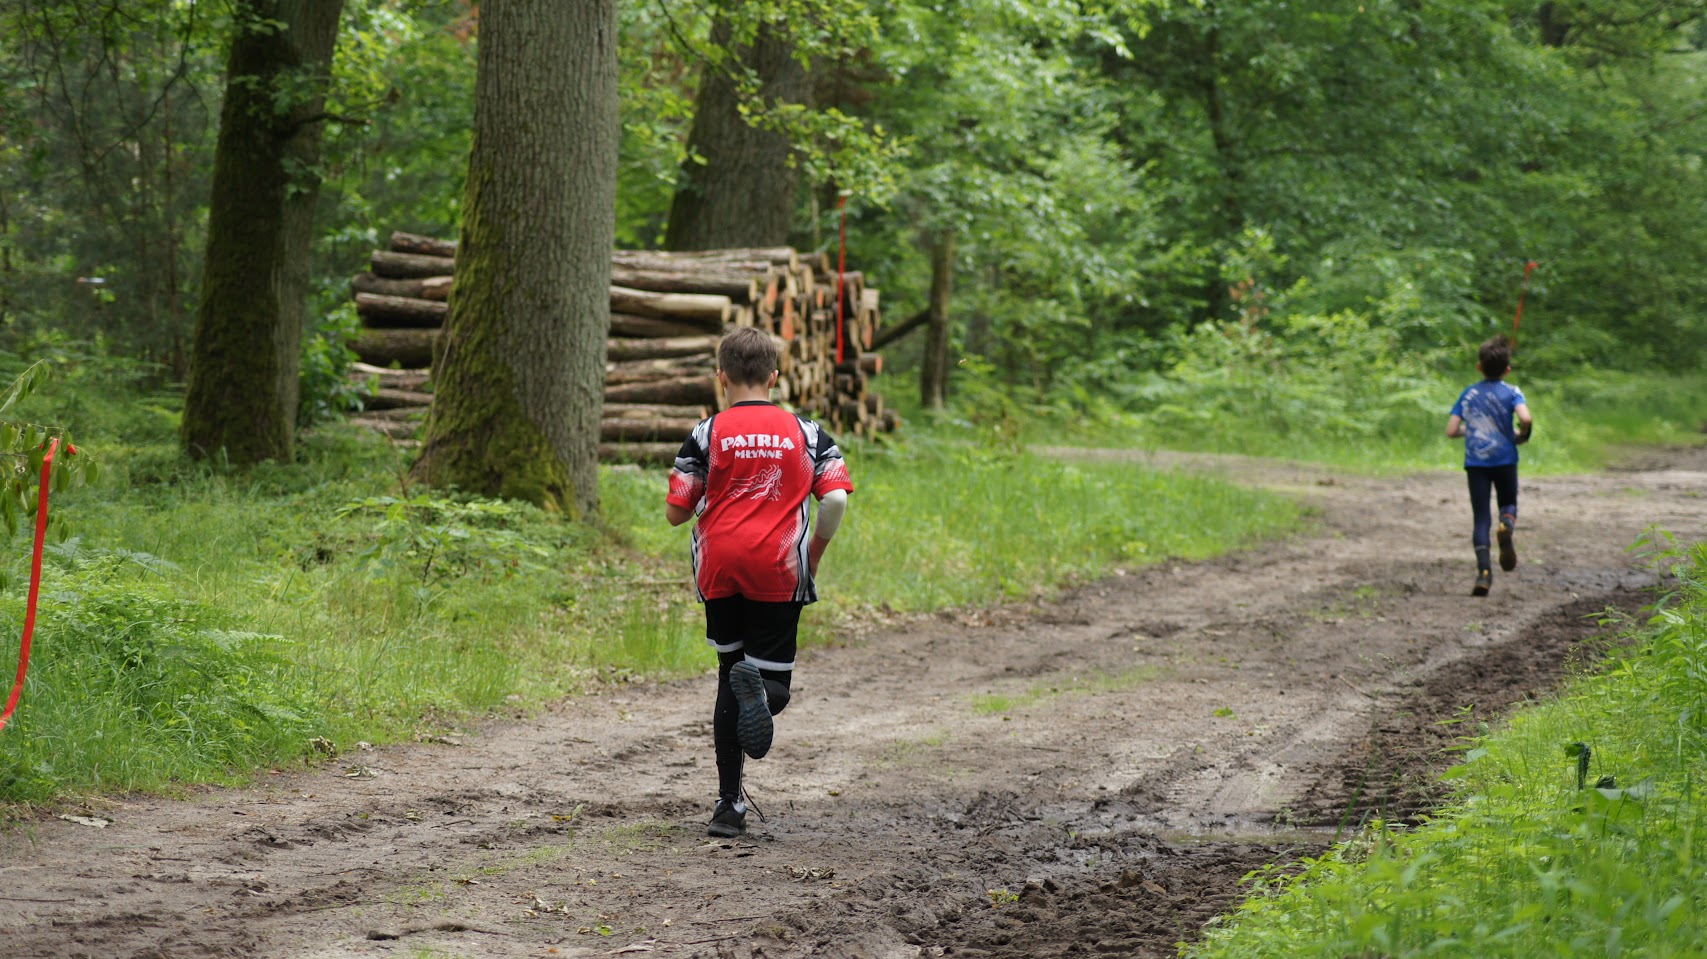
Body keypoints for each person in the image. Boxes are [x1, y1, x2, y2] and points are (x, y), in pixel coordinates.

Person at [664, 327, 854, 838]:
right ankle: (762, 698)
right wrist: (814, 551)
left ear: (720, 376)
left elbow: (676, 513)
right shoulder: (808, 433)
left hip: (720, 566)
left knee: (730, 673)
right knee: (773, 685)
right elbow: (835, 499)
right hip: (779, 565)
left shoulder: (706, 432)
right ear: (774, 376)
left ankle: (729, 806)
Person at [1446, 335, 1533, 597]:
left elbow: (1451, 430)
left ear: (1479, 366)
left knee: (1481, 517)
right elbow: (1525, 418)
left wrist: (1469, 431)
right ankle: (1506, 524)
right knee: (1508, 503)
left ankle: (1483, 573)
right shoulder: (1512, 392)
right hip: (1505, 459)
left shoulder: (1469, 393)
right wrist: (1523, 435)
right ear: (1507, 369)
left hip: (1476, 463)